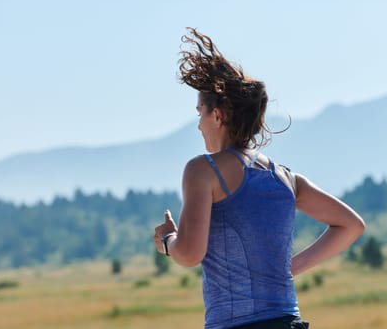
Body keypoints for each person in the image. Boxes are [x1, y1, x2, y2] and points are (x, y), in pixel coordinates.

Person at [153, 28, 365, 329]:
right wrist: (289, 269)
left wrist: (166, 239)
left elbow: (189, 253)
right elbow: (352, 225)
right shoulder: (287, 179)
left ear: (218, 116)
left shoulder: (203, 171)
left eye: (200, 112)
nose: (199, 125)